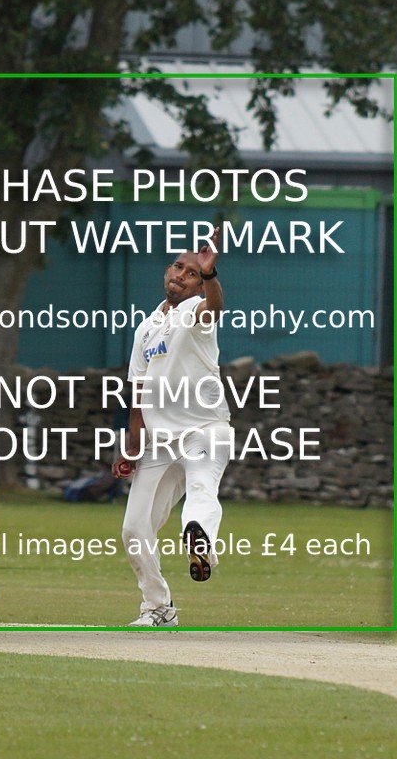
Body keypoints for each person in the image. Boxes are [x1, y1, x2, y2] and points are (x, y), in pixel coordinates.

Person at [112, 228, 232, 627]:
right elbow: (138, 390)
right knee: (134, 529)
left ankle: (200, 539)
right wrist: (132, 447)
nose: (182, 275)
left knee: (201, 491)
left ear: (200, 283)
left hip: (205, 431)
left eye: (192, 273)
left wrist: (211, 279)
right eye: (178, 267)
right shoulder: (146, 328)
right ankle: (158, 608)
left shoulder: (196, 312)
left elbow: (213, 308)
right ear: (168, 271)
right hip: (160, 441)